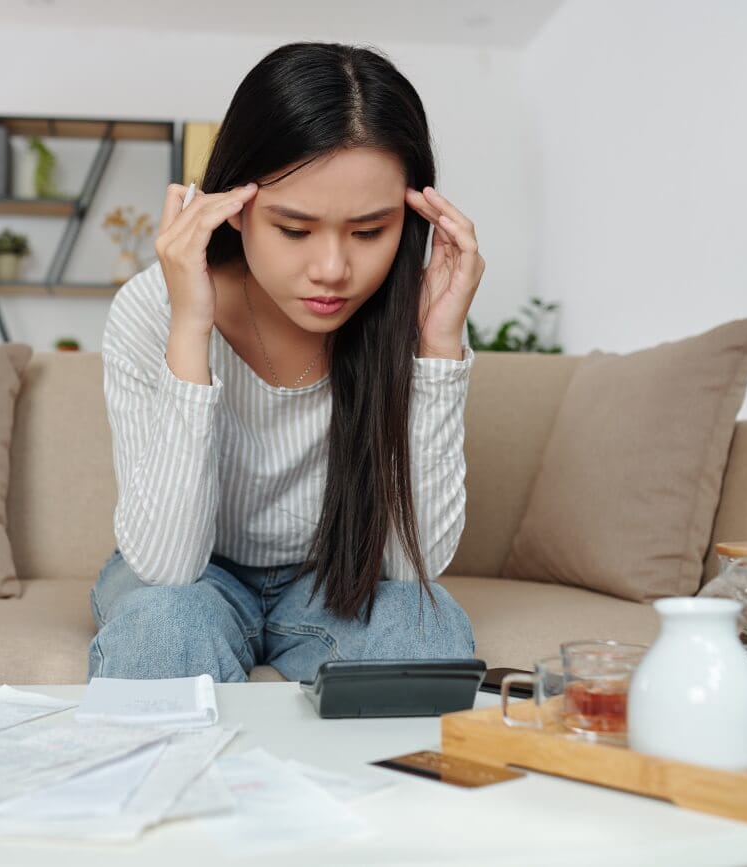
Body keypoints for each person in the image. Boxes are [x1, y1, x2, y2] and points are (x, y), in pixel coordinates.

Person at [91, 41, 485, 683]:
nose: (333, 270)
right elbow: (166, 570)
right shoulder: (151, 307)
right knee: (162, 626)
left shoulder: (408, 313)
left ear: (411, 219)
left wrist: (437, 350)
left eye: (369, 232)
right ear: (233, 207)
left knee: (427, 627)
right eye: (294, 230)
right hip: (198, 577)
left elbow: (414, 569)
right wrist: (190, 326)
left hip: (333, 578)